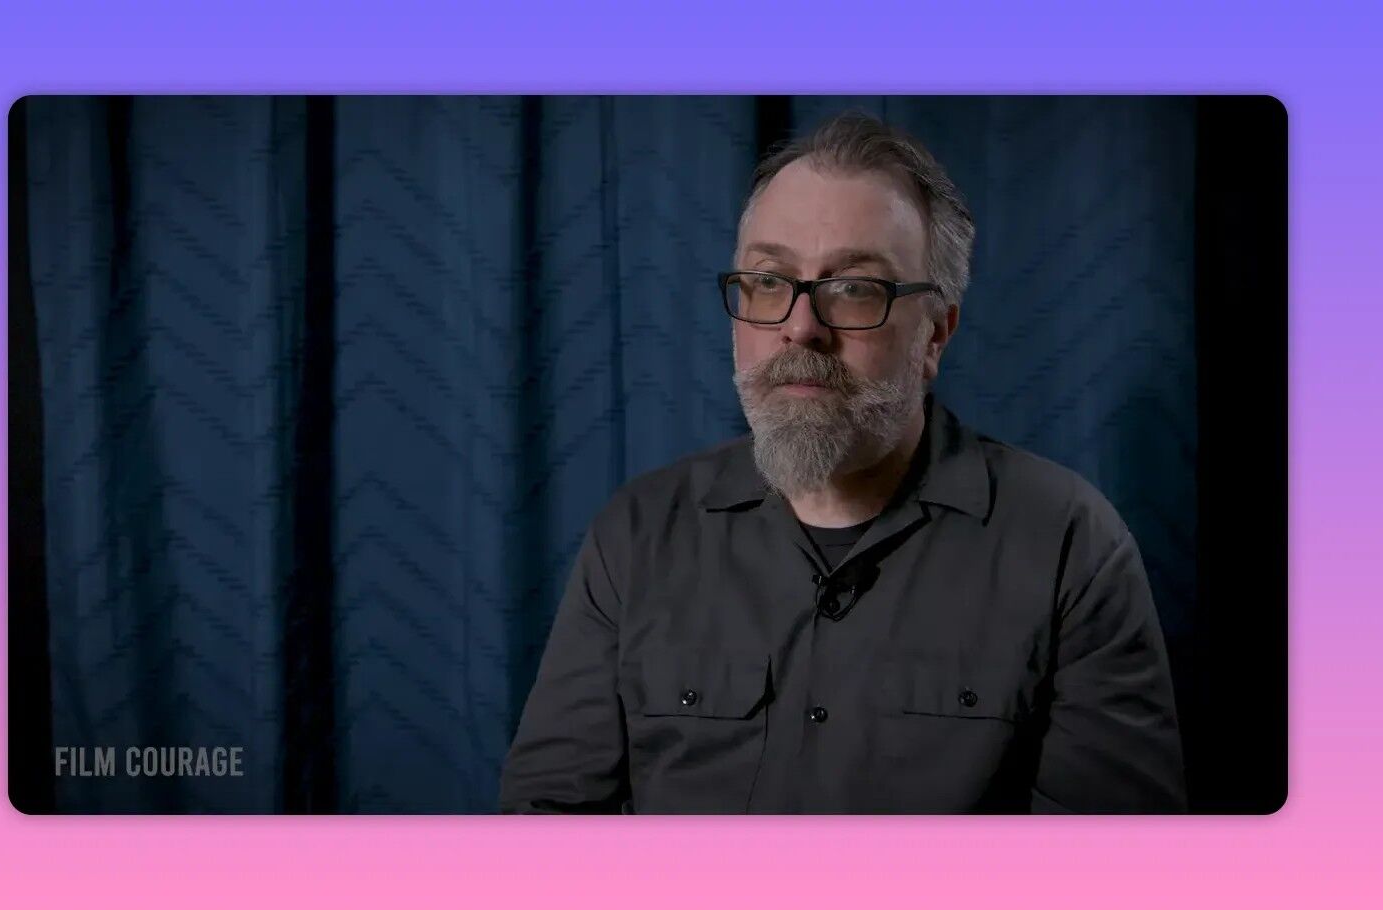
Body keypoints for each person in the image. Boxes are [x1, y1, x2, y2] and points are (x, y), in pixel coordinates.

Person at [499, 111, 1186, 814]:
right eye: (769, 281)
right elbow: (543, 838)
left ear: (935, 335)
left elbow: (1113, 871)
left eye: (856, 288)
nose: (802, 327)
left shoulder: (1069, 544)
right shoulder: (638, 534)